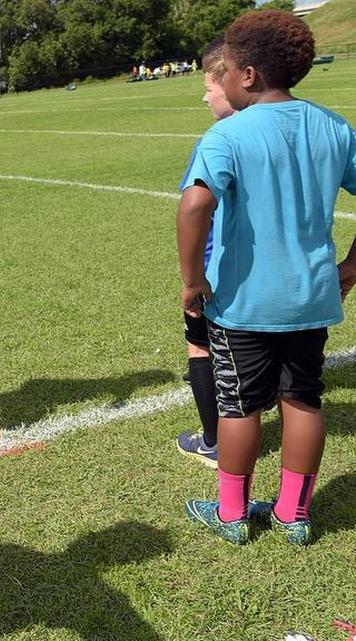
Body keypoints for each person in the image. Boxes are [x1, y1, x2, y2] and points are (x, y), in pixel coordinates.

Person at [177, 10, 356, 546]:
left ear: (249, 75)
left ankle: (231, 514)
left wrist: (192, 280)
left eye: (227, 68)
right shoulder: (334, 127)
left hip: (243, 302)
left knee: (239, 406)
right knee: (303, 400)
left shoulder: (227, 134)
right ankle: (293, 514)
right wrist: (351, 267)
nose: (224, 78)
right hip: (311, 296)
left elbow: (194, 206)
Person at [175, 35, 236, 469]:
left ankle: (214, 442)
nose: (204, 97)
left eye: (208, 87)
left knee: (201, 348)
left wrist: (193, 279)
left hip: (216, 273)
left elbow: (194, 207)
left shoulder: (218, 141)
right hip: (279, 278)